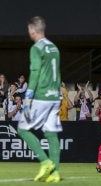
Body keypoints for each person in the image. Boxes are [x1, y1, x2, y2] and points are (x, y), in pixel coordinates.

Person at [17, 16, 62, 182]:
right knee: (51, 133)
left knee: (22, 129)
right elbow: (58, 73)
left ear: (32, 29)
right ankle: (55, 173)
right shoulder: (54, 47)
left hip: (41, 95)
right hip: (54, 96)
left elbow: (35, 73)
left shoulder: (36, 48)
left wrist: (28, 96)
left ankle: (45, 162)